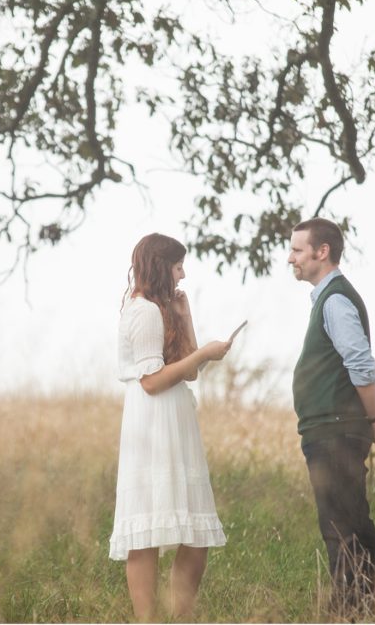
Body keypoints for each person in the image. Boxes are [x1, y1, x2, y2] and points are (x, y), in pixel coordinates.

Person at [109, 233, 232, 622]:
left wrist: (185, 317)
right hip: (153, 420)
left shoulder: (163, 309)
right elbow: (151, 380)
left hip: (175, 418)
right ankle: (148, 620)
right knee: (145, 530)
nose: (183, 272)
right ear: (161, 266)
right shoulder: (144, 311)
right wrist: (204, 353)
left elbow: (190, 372)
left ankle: (181, 616)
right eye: (178, 265)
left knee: (194, 530)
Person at [287, 217, 375, 618]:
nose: (290, 258)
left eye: (298, 250)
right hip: (329, 428)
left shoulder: (335, 300)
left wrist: (373, 418)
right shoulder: (327, 298)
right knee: (353, 519)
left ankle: (349, 612)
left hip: (335, 430)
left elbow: (361, 365)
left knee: (340, 527)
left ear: (322, 252)